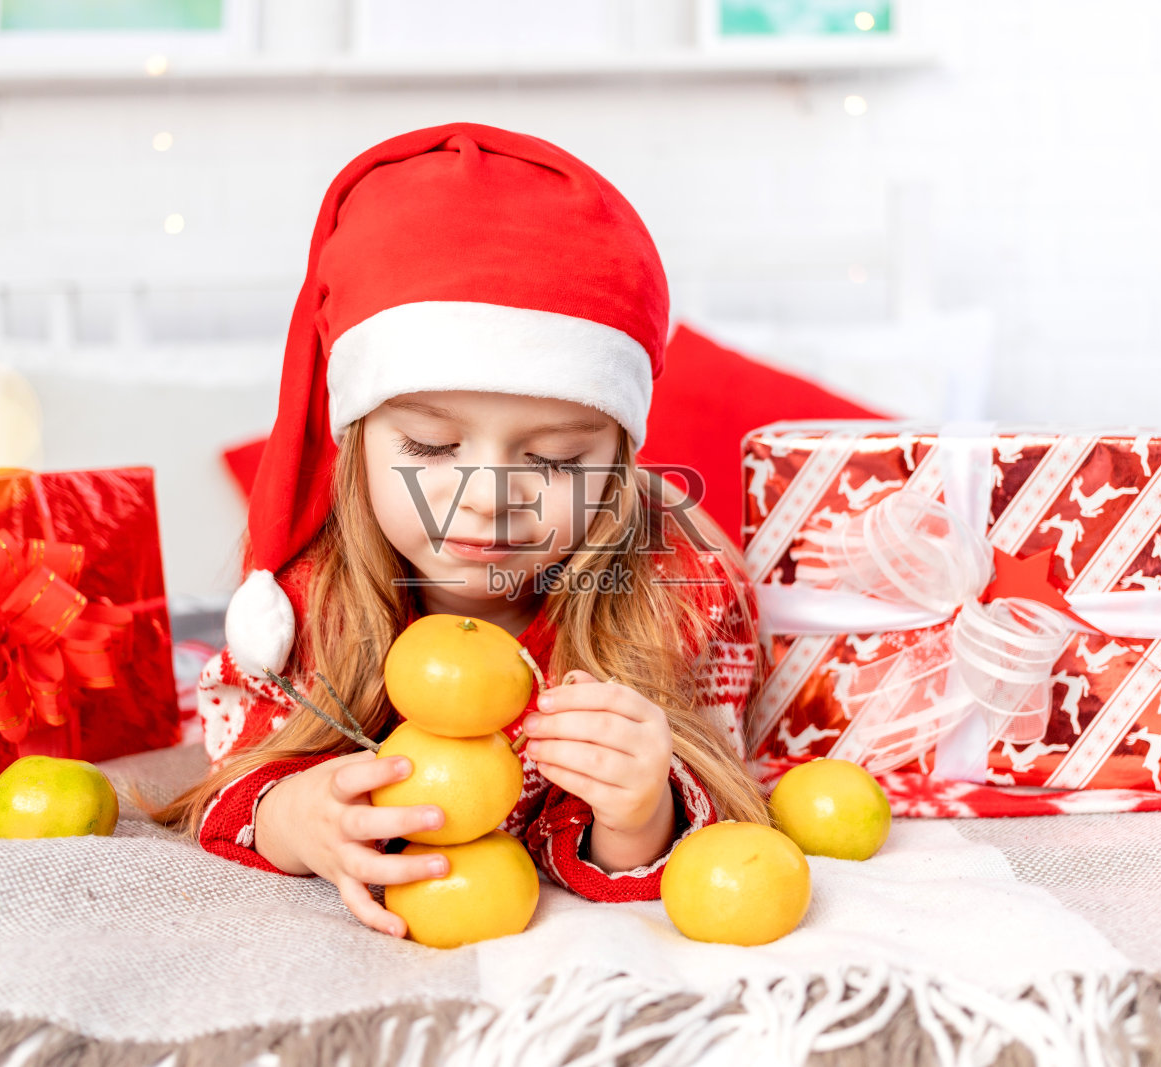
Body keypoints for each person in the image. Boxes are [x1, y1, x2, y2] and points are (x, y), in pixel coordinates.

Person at [142, 122, 771, 940]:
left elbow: (726, 798)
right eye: (432, 447)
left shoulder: (672, 598)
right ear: (357, 439)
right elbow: (241, 767)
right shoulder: (308, 602)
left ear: (616, 462)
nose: (486, 499)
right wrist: (296, 818)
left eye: (552, 459)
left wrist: (638, 811)